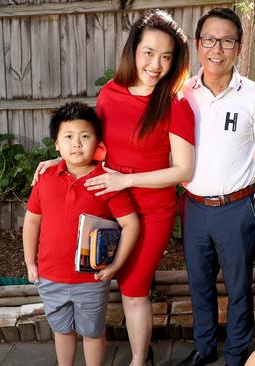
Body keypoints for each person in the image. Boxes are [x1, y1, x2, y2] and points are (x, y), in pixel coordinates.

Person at [32, 9, 195, 366]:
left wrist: (128, 180)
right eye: (148, 52)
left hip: (151, 211)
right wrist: (58, 161)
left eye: (166, 56)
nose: (156, 64)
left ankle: (138, 360)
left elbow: (185, 169)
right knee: (104, 282)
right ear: (133, 51)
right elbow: (90, 146)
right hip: (106, 208)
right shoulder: (110, 94)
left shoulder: (174, 103)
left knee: (134, 289)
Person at [176, 8, 255, 366]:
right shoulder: (183, 92)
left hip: (236, 209)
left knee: (238, 288)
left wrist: (240, 184)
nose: (216, 49)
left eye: (226, 41)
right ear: (197, 44)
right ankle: (204, 348)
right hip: (193, 207)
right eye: (209, 40)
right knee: (199, 285)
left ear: (238, 47)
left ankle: (237, 353)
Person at [23, 102, 140, 366]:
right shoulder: (46, 178)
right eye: (68, 137)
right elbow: (31, 222)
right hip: (50, 275)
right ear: (56, 144)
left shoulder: (106, 181)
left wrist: (116, 265)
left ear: (97, 142)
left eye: (85, 136)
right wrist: (31, 262)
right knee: (62, 329)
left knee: (92, 330)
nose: (76, 144)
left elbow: (131, 224)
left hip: (91, 277)